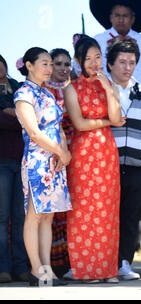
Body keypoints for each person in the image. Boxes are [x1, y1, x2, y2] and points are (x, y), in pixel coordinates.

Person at [64, 36, 125, 283]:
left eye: (97, 57)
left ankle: (108, 269)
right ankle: (86, 269)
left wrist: (109, 90)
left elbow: (117, 114)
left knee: (107, 210)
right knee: (83, 210)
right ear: (78, 61)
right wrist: (109, 122)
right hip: (83, 154)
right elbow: (79, 123)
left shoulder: (110, 85)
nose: (93, 62)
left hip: (107, 153)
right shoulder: (71, 88)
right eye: (88, 58)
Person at [14, 47, 72, 286]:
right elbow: (34, 132)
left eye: (51, 64)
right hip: (37, 160)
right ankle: (36, 270)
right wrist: (60, 151)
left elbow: (58, 127)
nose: (49, 69)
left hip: (55, 161)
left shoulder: (48, 94)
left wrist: (64, 152)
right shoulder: (23, 93)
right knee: (34, 215)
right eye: (45, 64)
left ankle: (48, 270)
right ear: (29, 65)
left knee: (48, 216)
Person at [106, 37, 141, 280]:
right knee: (107, 214)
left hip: (137, 165)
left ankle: (124, 263)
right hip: (106, 164)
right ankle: (103, 263)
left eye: (132, 62)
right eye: (122, 62)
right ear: (110, 64)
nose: (128, 67)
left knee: (130, 215)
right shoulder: (102, 90)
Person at [42, 48, 73, 278]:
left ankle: (72, 262)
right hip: (51, 155)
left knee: (71, 210)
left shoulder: (76, 89)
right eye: (58, 64)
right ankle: (51, 264)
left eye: (67, 64)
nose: (63, 68)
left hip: (77, 156)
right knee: (52, 212)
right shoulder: (43, 91)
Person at [0, 54, 29, 283]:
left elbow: (30, 116)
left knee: (21, 217)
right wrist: (16, 117)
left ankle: (21, 266)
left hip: (22, 160)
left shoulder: (19, 87)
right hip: (1, 162)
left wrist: (14, 115)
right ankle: (3, 268)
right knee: (2, 217)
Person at [91, 0, 141, 89]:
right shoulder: (99, 39)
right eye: (117, 15)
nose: (121, 20)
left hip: (134, 94)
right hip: (105, 92)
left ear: (132, 19)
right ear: (111, 17)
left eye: (125, 16)